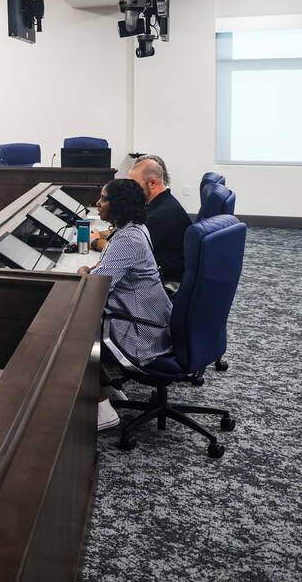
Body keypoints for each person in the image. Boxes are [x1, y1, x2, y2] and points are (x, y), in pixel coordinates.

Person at [77, 179, 173, 432]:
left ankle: (102, 408)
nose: (98, 203)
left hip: (142, 331)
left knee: (73, 333)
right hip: (150, 320)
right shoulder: (135, 229)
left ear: (119, 205)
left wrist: (82, 270)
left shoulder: (127, 240)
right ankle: (108, 388)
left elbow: (94, 288)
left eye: (104, 198)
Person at [126, 155, 191, 283]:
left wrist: (95, 242)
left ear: (152, 183)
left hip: (162, 284)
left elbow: (127, 252)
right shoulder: (161, 203)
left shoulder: (160, 216)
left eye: (134, 186)